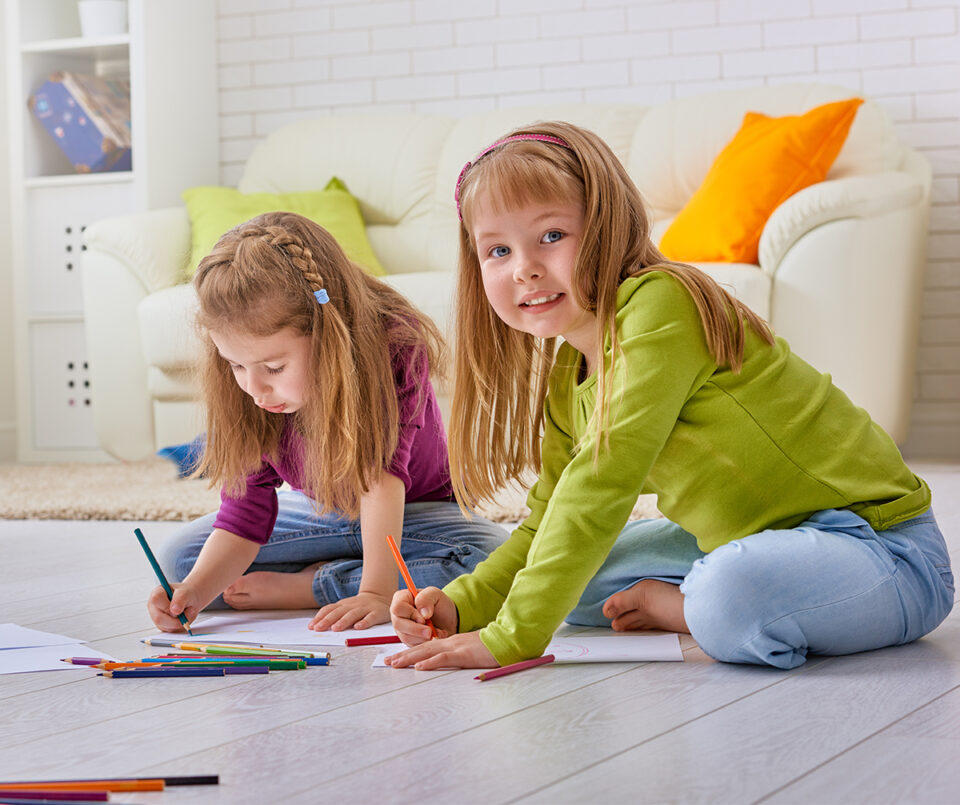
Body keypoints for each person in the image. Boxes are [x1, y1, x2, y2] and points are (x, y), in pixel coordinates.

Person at [386, 121, 954, 671]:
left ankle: (692, 607)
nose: (526, 269)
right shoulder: (569, 375)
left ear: (606, 227)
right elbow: (548, 520)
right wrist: (465, 606)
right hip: (753, 537)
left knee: (725, 595)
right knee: (576, 582)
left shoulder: (662, 304)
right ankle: (705, 594)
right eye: (498, 251)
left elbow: (603, 481)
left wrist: (512, 638)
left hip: (880, 549)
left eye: (551, 236)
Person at [147, 211, 506, 634]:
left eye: (275, 367)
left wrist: (374, 594)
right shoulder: (250, 395)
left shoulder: (393, 344)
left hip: (412, 514)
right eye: (236, 366)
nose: (255, 389)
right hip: (323, 513)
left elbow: (380, 483)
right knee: (180, 560)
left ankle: (317, 585)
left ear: (327, 332)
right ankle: (344, 575)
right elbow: (243, 522)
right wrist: (193, 594)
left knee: (490, 557)